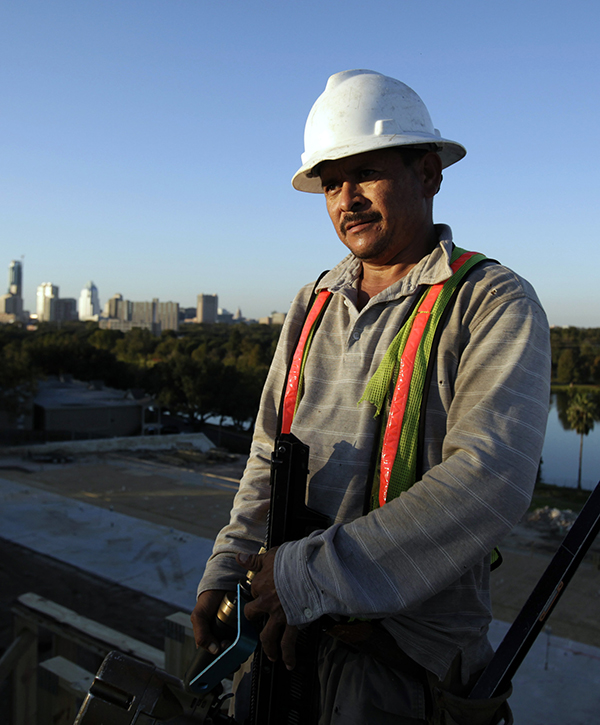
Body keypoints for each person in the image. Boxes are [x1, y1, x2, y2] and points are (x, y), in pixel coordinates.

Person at [191, 69, 551, 724]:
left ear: (428, 173)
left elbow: (488, 481)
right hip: (284, 642)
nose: (346, 198)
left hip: (403, 664)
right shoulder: (313, 303)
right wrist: (225, 569)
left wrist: (307, 576)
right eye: (331, 182)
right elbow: (269, 459)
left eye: (366, 174)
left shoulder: (490, 301)